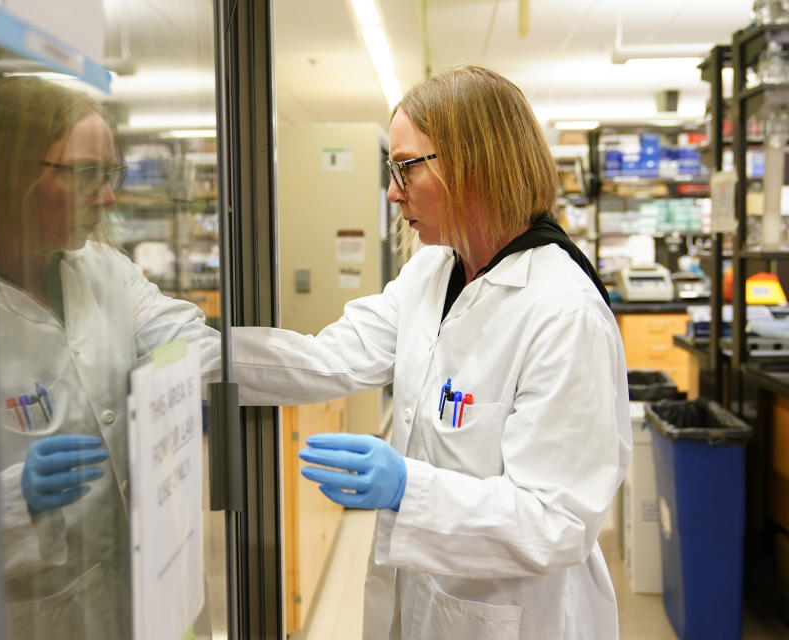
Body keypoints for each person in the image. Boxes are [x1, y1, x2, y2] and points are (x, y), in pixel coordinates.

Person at [229, 65, 631, 639]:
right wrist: (183, 354)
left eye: (406, 167)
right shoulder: (433, 271)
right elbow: (326, 359)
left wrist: (406, 489)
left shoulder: (563, 313)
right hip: (427, 600)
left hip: (512, 618)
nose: (393, 191)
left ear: (478, 162)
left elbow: (556, 522)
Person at [0, 76, 218, 639]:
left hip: (130, 587)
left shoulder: (100, 267)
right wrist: (8, 498)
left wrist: (169, 377)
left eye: (110, 175)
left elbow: (184, 334)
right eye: (88, 174)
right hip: (25, 612)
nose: (109, 196)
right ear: (9, 172)